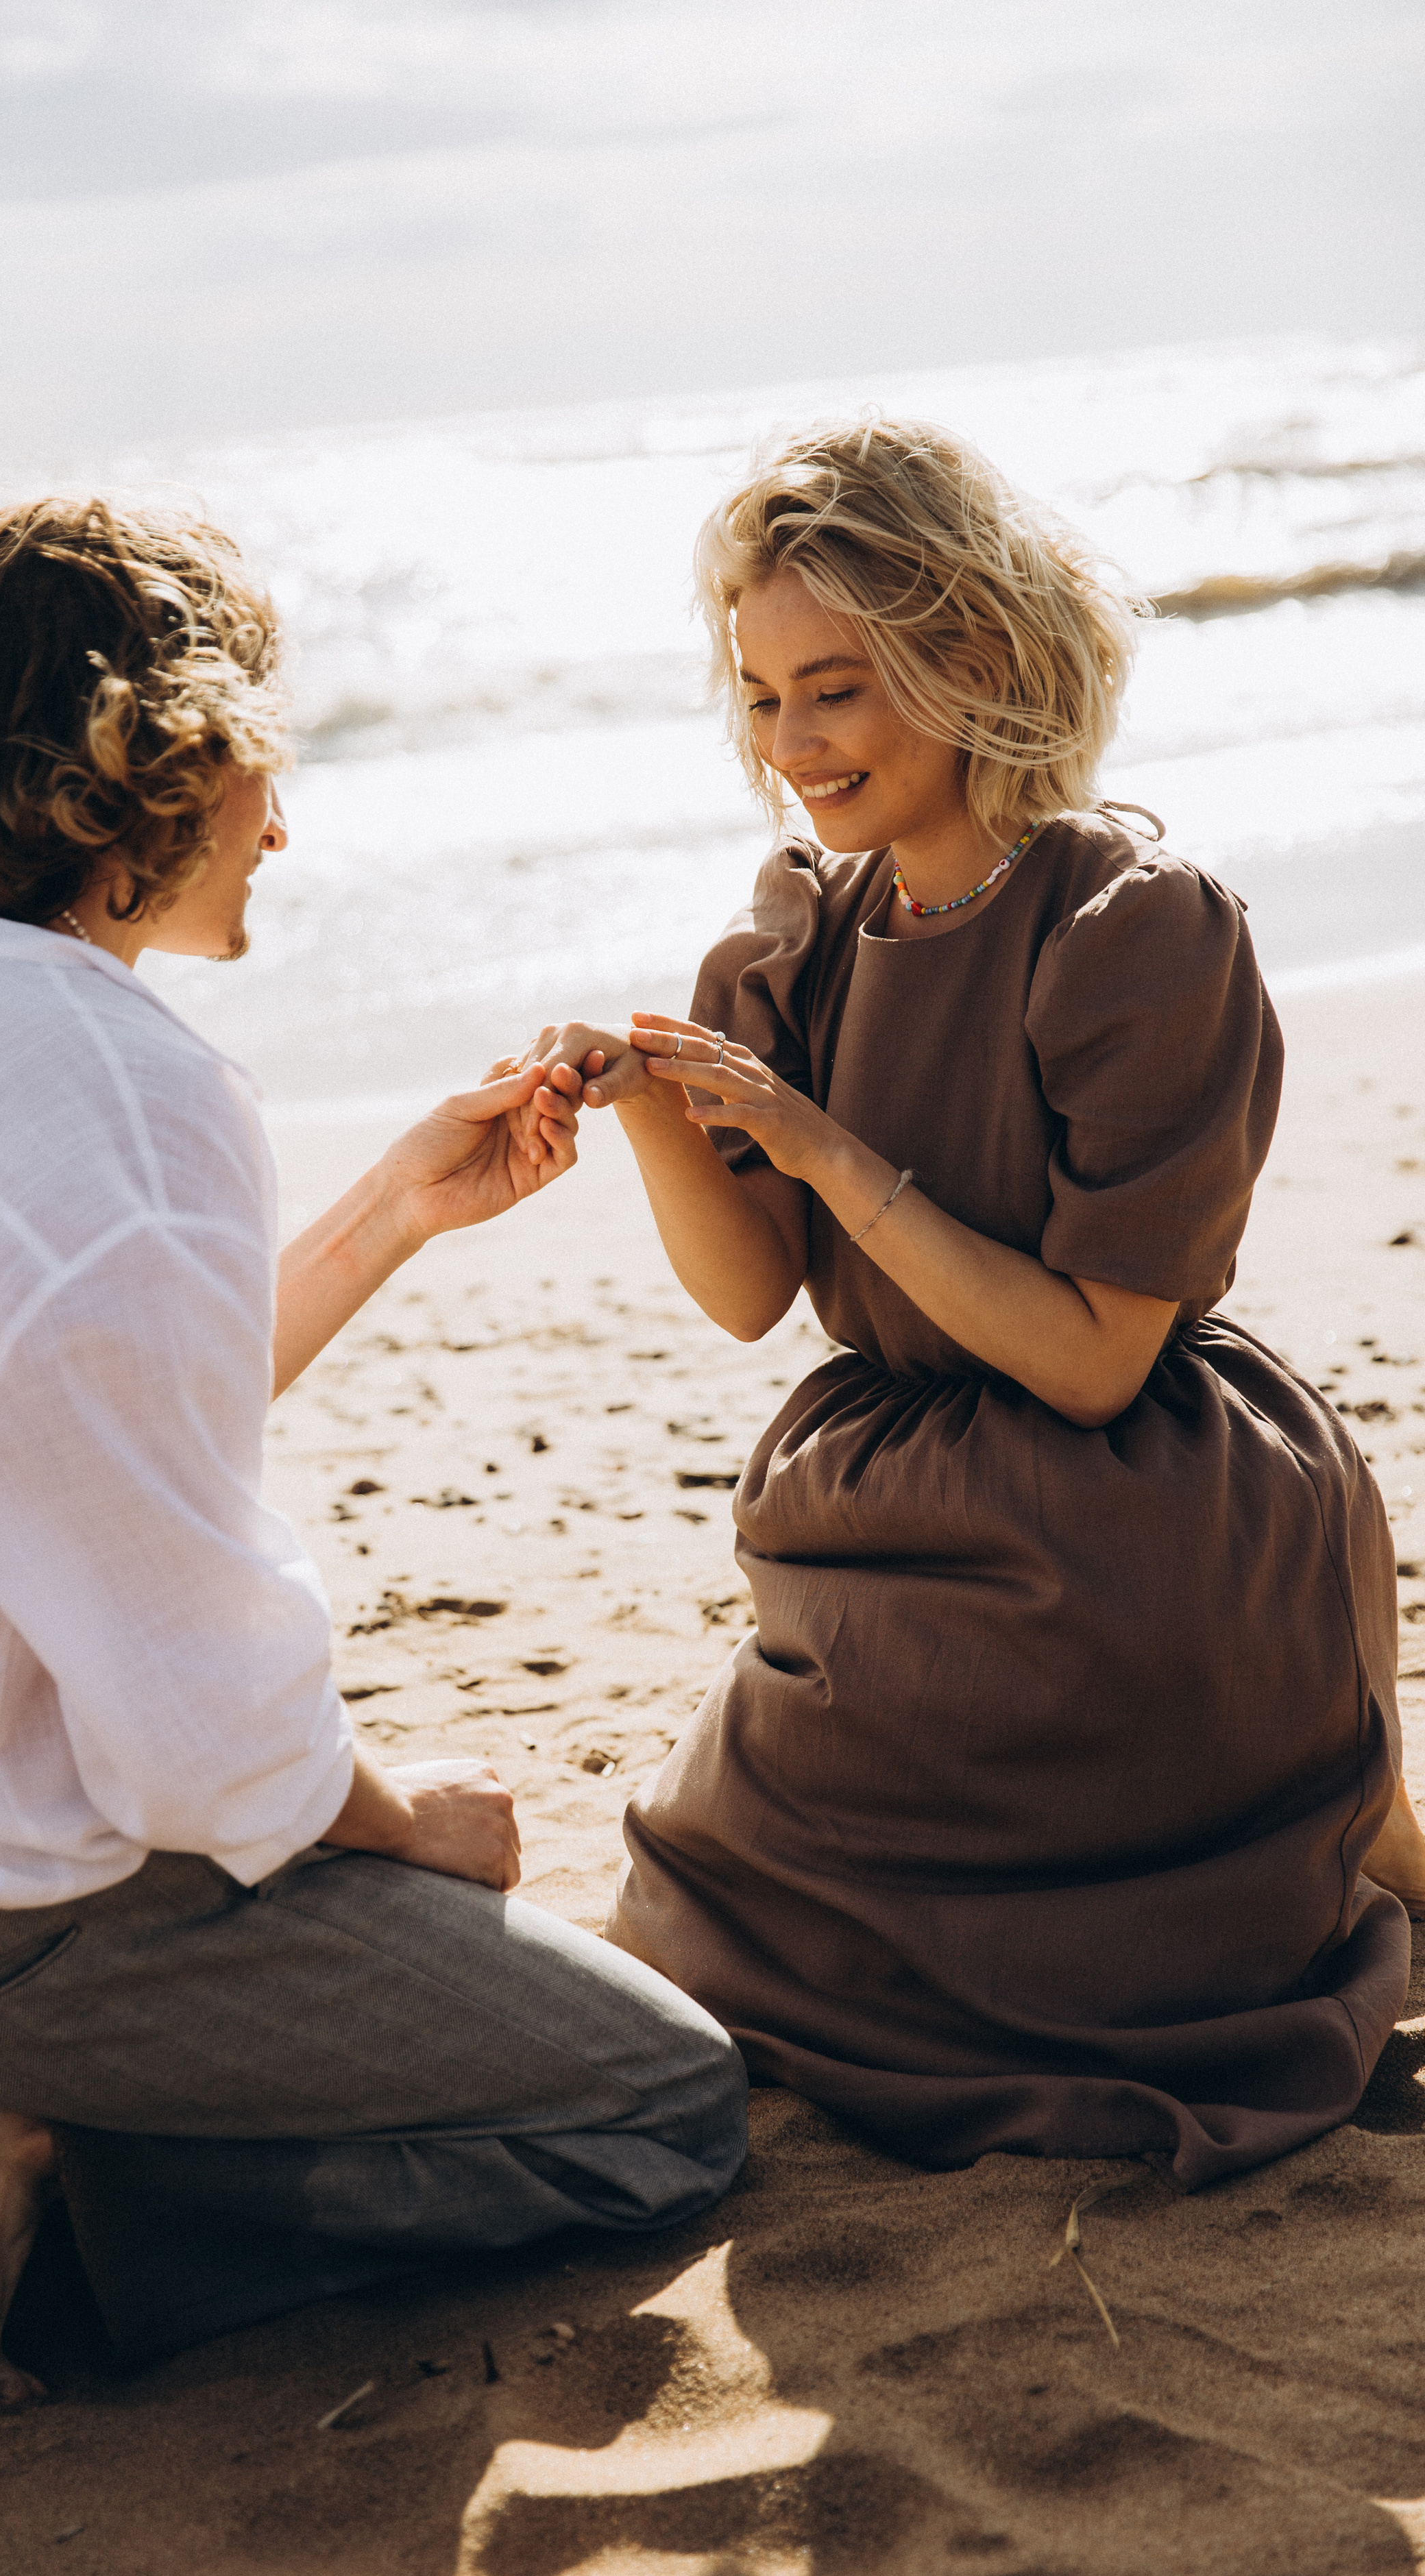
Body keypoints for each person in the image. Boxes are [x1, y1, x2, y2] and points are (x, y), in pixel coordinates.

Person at [0, 498, 747, 2404]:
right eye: (262, 764)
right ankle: (37, 2159)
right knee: (661, 2103)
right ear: (142, 773)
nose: (280, 823)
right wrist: (408, 1822)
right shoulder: (122, 1096)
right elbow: (201, 1730)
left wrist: (386, 1220)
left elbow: (43, 1440)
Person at [524, 417, 1418, 2189]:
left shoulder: (1139, 930)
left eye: (838, 689)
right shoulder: (798, 937)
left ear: (978, 656)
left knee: (808, 1943)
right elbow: (750, 1295)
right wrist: (648, 1114)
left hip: (1145, 1526)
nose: (794, 747)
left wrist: (829, 1149)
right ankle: (1339, 1828)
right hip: (894, 1514)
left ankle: (1322, 1821)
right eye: (768, 696)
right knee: (703, 1910)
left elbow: (1096, 1361)